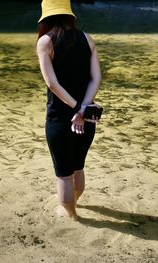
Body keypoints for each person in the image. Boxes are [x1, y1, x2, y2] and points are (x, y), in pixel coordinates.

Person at [36, 0, 102, 220]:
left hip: (60, 119)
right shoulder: (87, 38)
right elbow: (96, 78)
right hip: (87, 117)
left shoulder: (45, 42)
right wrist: (83, 108)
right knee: (78, 168)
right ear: (69, 15)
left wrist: (75, 108)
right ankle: (76, 205)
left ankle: (72, 215)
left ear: (45, 17)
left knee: (64, 175)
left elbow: (52, 84)